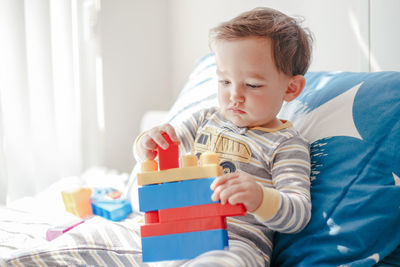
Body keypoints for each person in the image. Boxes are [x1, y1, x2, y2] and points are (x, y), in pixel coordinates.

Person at [135, 7, 313, 267]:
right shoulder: (204, 120)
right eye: (225, 82)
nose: (234, 96)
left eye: (252, 85)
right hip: (178, 231)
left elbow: (298, 215)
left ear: (291, 88)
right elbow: (158, 154)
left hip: (236, 243)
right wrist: (146, 144)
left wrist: (260, 197)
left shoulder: (286, 145)